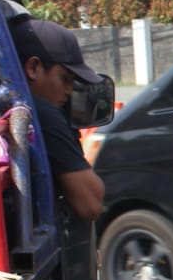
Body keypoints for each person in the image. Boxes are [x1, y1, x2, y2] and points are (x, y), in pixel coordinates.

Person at [9, 18, 106, 220]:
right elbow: (90, 203)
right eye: (65, 79)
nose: (69, 91)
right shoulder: (40, 113)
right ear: (34, 67)